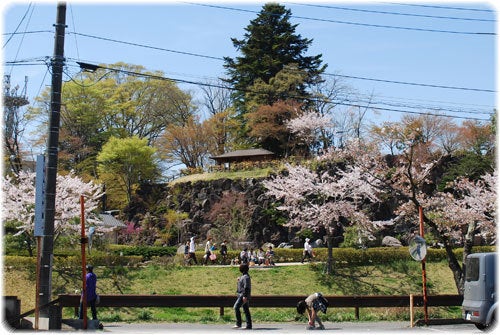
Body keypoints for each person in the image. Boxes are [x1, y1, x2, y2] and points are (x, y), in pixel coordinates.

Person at [233, 263, 252, 329]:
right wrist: (239, 280)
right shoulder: (244, 276)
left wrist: (245, 296)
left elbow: (246, 287)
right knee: (246, 310)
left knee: (236, 307)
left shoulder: (245, 277)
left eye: (240, 268)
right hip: (243, 295)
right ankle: (249, 325)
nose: (239, 269)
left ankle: (238, 323)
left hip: (243, 295)